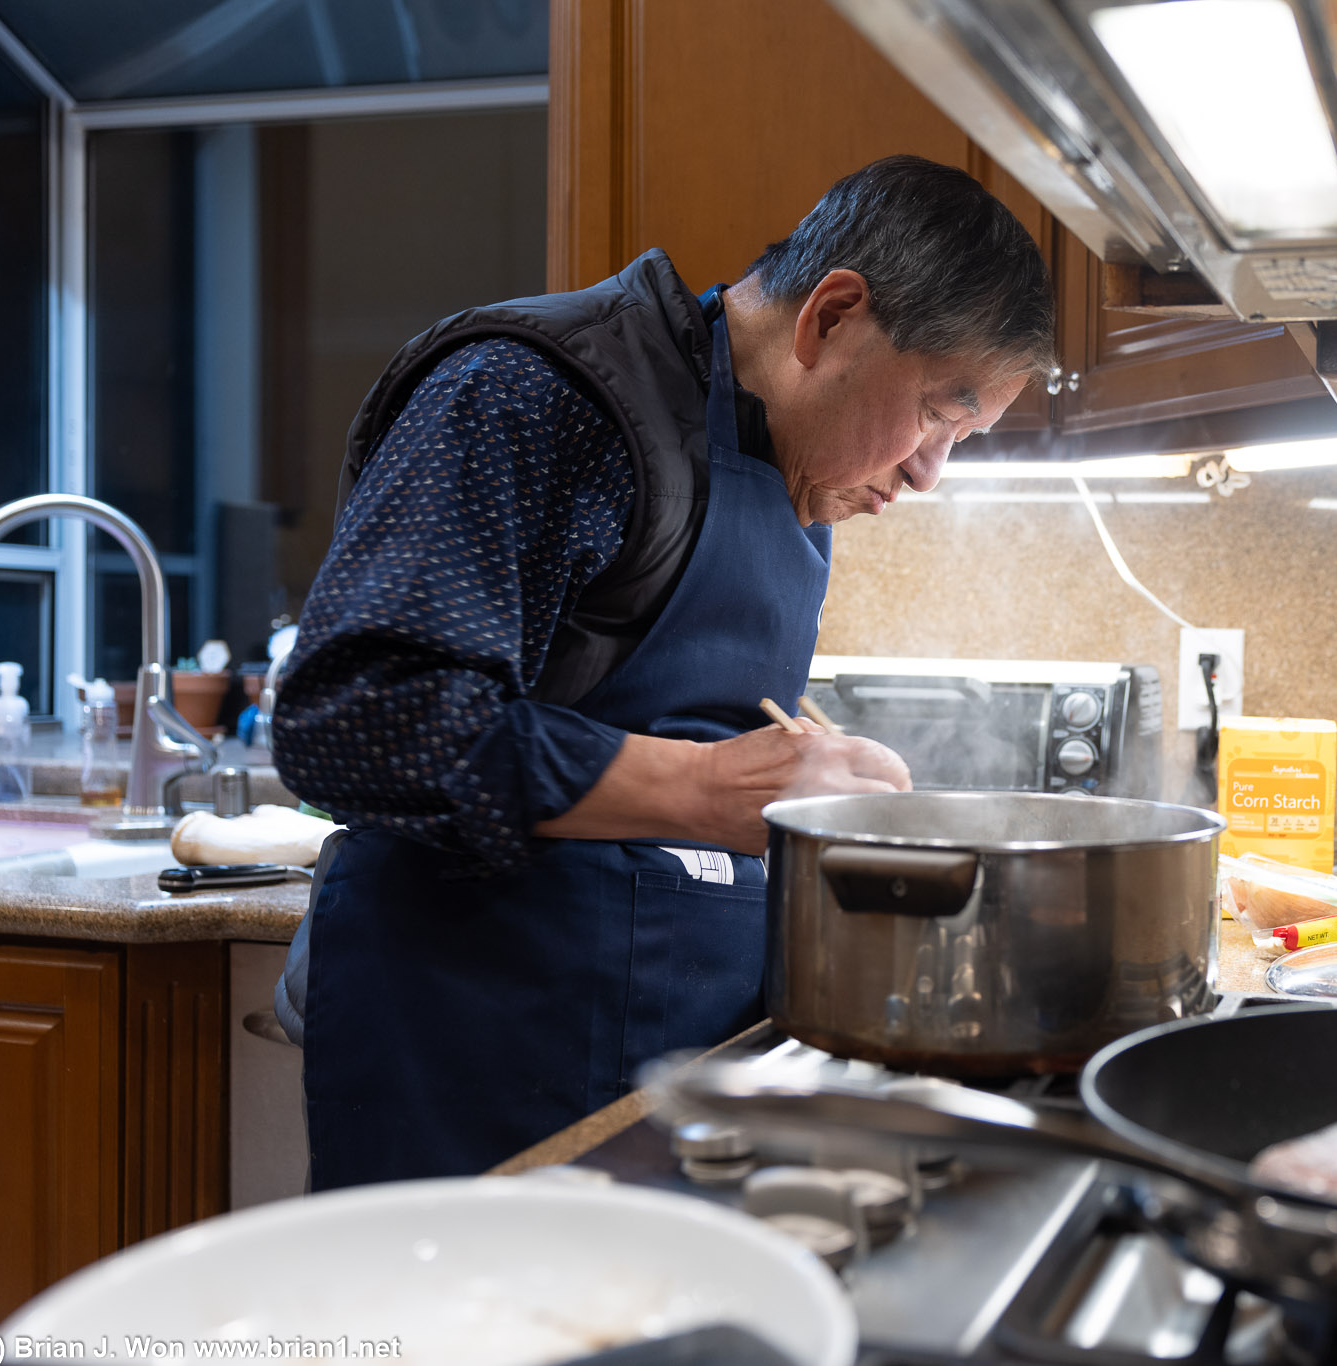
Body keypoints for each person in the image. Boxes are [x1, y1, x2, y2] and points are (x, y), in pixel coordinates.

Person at [272, 155, 1056, 1189]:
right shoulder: (532, 394)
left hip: (680, 1060)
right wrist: (711, 787)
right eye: (935, 414)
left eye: (960, 436)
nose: (927, 472)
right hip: (478, 1055)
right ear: (831, 318)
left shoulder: (795, 468)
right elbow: (358, 717)